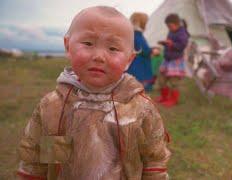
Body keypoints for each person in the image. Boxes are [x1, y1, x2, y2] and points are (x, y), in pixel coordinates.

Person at [17, 6, 170, 180]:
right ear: (68, 46)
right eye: (88, 44)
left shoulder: (141, 108)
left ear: (129, 60)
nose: (99, 56)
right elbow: (39, 163)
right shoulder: (54, 107)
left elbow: (154, 161)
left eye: (113, 49)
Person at [156, 14, 189, 107]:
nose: (169, 28)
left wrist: (172, 44)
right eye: (168, 27)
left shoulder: (183, 33)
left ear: (177, 24)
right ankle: (164, 97)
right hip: (167, 60)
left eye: (170, 26)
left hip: (176, 61)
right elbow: (169, 43)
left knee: (174, 82)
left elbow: (182, 46)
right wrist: (165, 43)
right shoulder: (171, 32)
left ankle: (173, 100)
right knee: (162, 79)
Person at [127, 12, 154, 91]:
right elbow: (143, 49)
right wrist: (151, 51)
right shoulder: (137, 35)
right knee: (139, 84)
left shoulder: (131, 34)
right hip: (140, 64)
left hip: (134, 63)